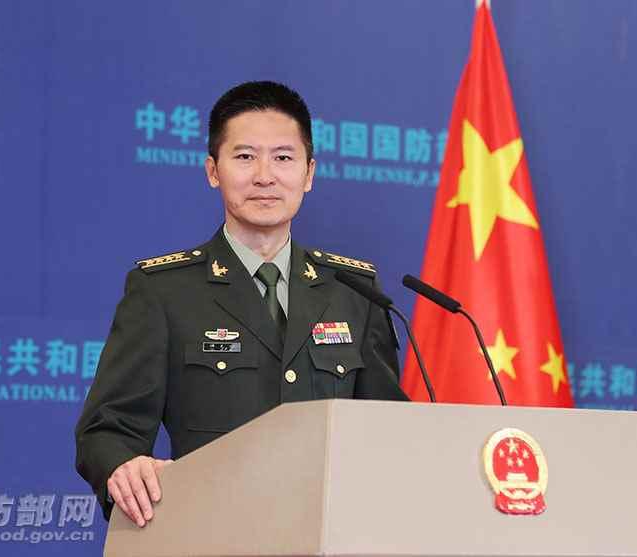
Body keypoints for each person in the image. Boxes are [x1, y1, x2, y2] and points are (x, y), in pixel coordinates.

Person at [75, 81, 409, 527]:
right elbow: (107, 429)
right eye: (246, 157)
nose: (265, 176)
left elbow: (386, 432)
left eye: (283, 158)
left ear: (309, 173)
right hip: (209, 529)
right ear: (213, 170)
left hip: (328, 533)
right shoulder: (164, 291)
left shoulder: (353, 291)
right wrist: (123, 465)